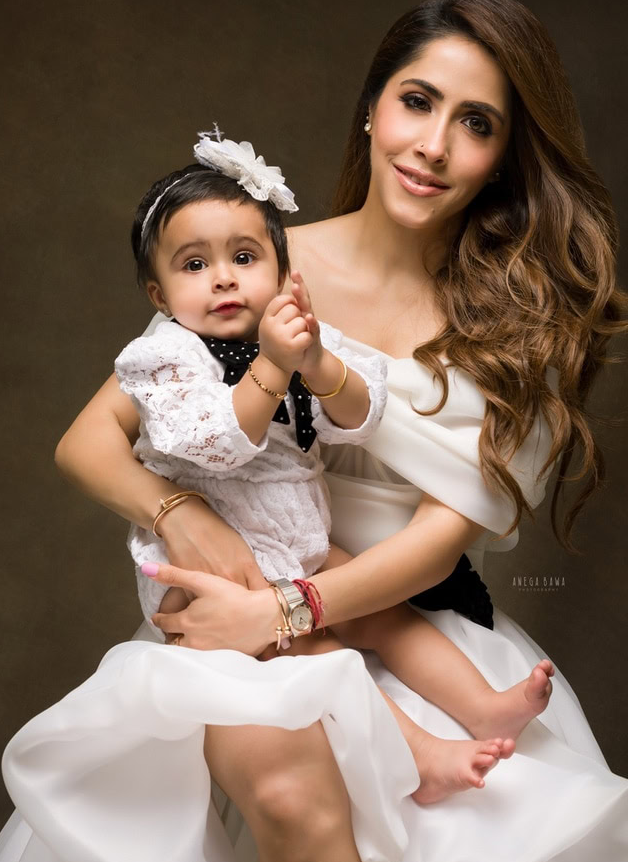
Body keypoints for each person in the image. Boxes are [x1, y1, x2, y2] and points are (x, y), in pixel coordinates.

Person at [0, 0, 628, 862]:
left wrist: (285, 607)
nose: (433, 144)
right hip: (241, 616)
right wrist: (184, 516)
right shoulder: (251, 263)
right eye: (417, 101)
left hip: (410, 632)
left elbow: (435, 545)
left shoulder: (523, 329)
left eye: (476, 123)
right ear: (373, 108)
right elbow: (88, 441)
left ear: (504, 157)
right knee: (290, 798)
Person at [114, 130, 559, 804]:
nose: (224, 277)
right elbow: (218, 443)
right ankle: (420, 758)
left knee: (386, 615)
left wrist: (319, 364)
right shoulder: (166, 360)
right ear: (158, 293)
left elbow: (362, 415)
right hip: (220, 565)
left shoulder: (284, 336)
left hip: (300, 541)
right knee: (320, 657)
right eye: (194, 265)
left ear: (280, 270)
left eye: (244, 257)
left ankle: (485, 706)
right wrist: (274, 366)